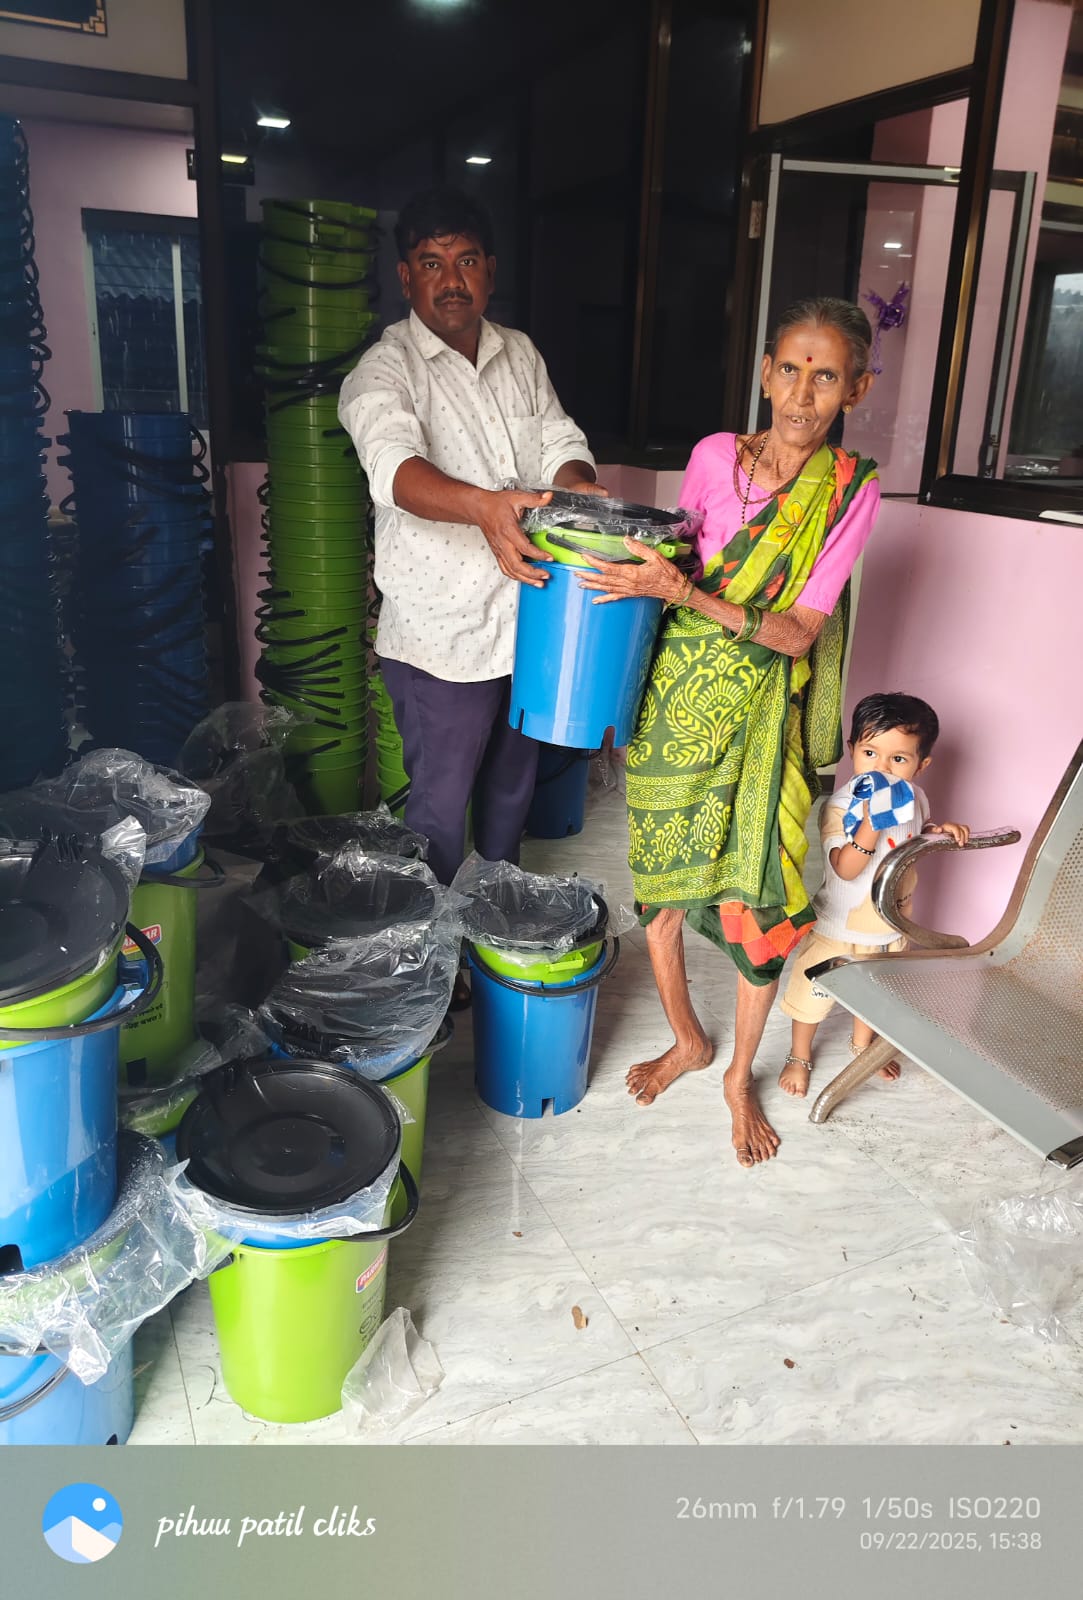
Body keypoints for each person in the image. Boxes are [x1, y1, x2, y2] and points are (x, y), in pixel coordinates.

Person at [576, 297, 879, 1168]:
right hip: (674, 703)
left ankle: (738, 1076)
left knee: (760, 906)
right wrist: (630, 573)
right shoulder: (713, 456)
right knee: (661, 893)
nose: (802, 394)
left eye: (825, 376)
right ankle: (687, 1039)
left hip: (760, 717)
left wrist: (684, 594)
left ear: (854, 389)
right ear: (764, 374)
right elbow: (677, 558)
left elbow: (797, 634)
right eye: (789, 369)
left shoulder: (850, 490)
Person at [338, 187, 602, 887]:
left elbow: (559, 440)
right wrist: (485, 509)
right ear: (406, 277)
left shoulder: (520, 354)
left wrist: (578, 486)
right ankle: (434, 940)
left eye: (466, 261)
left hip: (527, 620)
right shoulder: (384, 370)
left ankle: (494, 915)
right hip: (442, 639)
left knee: (512, 791)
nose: (451, 280)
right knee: (438, 806)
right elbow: (393, 469)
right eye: (431, 263)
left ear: (489, 270)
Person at [778, 692, 970, 1096]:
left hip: (891, 925)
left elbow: (916, 832)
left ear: (921, 765)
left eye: (898, 758)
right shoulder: (839, 806)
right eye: (870, 753)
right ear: (852, 751)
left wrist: (938, 831)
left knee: (874, 992)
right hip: (840, 929)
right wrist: (870, 824)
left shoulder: (915, 798)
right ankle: (799, 1054)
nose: (881, 767)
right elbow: (845, 868)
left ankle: (862, 1046)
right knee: (813, 993)